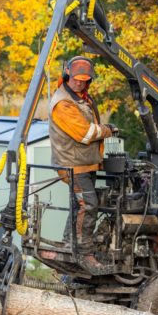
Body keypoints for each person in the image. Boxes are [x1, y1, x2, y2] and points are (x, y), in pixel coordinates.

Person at [49, 55, 119, 275]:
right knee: (88, 204)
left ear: (89, 80)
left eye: (84, 79)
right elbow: (86, 133)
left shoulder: (81, 98)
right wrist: (109, 130)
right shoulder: (64, 103)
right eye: (76, 79)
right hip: (73, 165)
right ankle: (84, 254)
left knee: (79, 205)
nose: (79, 82)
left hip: (84, 164)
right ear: (67, 73)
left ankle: (68, 245)